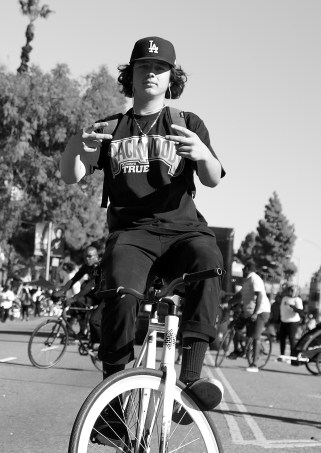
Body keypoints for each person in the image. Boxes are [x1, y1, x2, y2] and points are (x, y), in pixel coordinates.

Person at [59, 36, 225, 416]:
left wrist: (201, 153)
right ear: (130, 76)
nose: (151, 73)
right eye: (144, 67)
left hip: (183, 231)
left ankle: (192, 378)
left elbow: (213, 179)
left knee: (208, 260)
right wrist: (75, 144)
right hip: (132, 235)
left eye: (160, 68)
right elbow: (72, 175)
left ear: (171, 78)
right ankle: (113, 402)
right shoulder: (109, 128)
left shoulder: (187, 123)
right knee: (118, 291)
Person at [56, 246, 102, 341]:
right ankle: (79, 332)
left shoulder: (100, 266)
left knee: (94, 320)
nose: (86, 259)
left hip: (103, 295)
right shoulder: (86, 267)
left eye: (89, 256)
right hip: (94, 294)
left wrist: (74, 298)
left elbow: (90, 284)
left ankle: (98, 342)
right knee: (77, 304)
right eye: (85, 256)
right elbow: (74, 279)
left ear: (96, 256)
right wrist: (62, 291)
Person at [239, 261, 271, 372]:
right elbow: (239, 295)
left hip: (260, 311)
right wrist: (228, 304)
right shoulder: (247, 280)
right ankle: (237, 351)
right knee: (239, 330)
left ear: (247, 268)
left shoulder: (255, 279)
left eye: (243, 269)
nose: (242, 271)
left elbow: (260, 296)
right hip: (249, 312)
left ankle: (254, 364)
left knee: (256, 337)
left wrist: (256, 313)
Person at [278, 285, 304, 356]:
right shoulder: (284, 298)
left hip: (293, 322)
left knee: (291, 339)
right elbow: (281, 309)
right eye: (290, 290)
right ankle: (282, 355)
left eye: (293, 291)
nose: (291, 292)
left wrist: (292, 306)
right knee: (282, 339)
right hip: (283, 320)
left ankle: (292, 356)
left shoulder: (297, 300)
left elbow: (300, 311)